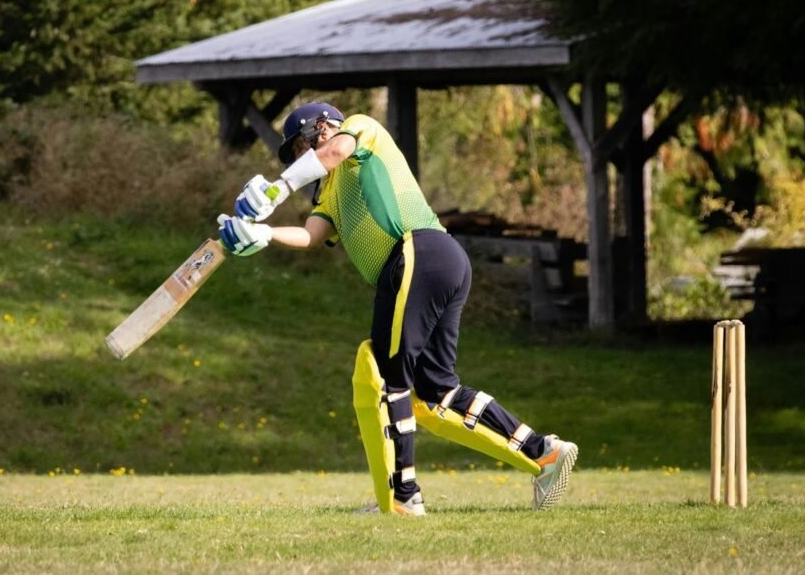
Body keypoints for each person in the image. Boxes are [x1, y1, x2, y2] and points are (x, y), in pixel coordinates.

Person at [217, 101, 578, 516]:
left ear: (323, 128)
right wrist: (262, 234)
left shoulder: (359, 129)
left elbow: (335, 151)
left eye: (301, 146)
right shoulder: (331, 192)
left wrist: (278, 189)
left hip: (415, 252)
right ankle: (544, 452)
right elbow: (309, 235)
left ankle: (403, 496)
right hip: (439, 261)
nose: (302, 157)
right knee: (438, 391)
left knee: (391, 378)